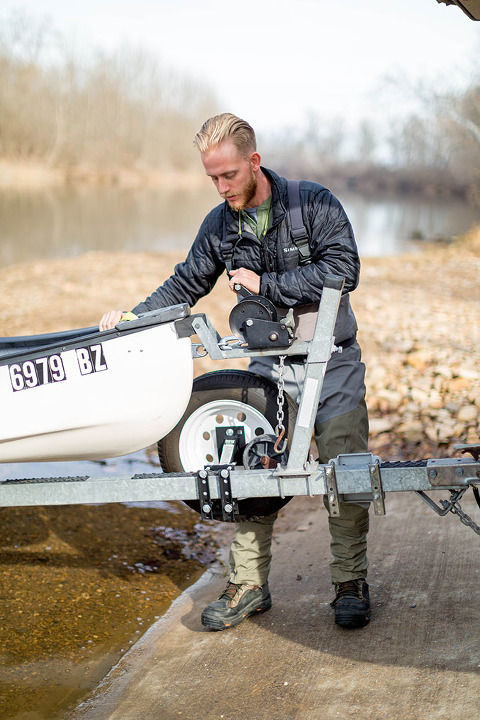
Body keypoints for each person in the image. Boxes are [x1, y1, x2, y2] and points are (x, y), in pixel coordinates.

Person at [99, 113, 370, 631]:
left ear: (254, 161)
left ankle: (350, 582)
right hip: (267, 361)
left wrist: (267, 285)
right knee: (250, 468)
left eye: (228, 175)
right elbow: (186, 283)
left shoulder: (313, 203)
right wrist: (135, 317)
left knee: (345, 465)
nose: (221, 188)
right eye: (212, 179)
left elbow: (344, 269)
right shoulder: (219, 223)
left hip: (331, 357)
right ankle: (249, 585)